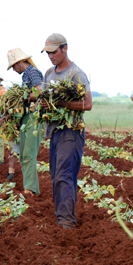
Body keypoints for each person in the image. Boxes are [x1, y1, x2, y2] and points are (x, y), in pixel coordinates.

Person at [41, 33, 92, 229]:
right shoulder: (48, 74)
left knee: (64, 175)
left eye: (54, 52)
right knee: (56, 176)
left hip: (71, 131)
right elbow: (45, 99)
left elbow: (87, 104)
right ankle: (61, 216)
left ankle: (66, 221)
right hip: (55, 132)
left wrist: (62, 102)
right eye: (48, 53)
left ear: (65, 48)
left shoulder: (76, 74)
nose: (51, 56)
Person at [7, 48, 43, 195]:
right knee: (22, 154)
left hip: (33, 117)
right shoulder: (25, 75)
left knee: (28, 154)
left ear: (20, 62)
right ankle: (28, 187)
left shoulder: (33, 72)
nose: (14, 69)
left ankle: (31, 189)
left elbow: (39, 91)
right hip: (26, 117)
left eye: (14, 66)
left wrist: (24, 97)